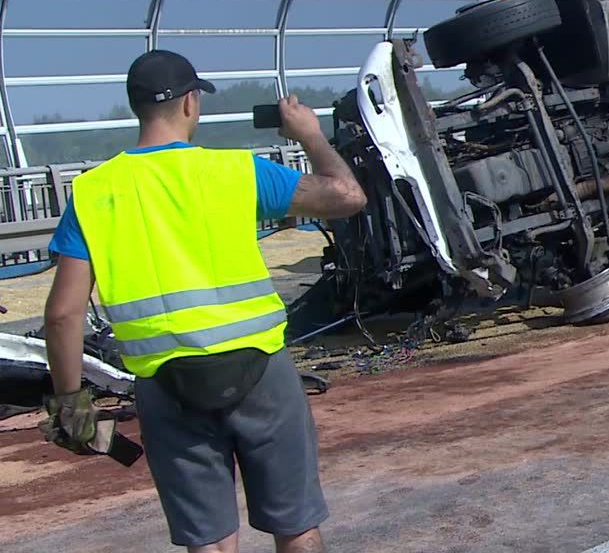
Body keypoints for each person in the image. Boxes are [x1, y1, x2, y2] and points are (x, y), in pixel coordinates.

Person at [40, 50, 367, 553]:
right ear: (192, 102)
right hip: (261, 371)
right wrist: (310, 135)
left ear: (136, 109)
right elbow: (347, 196)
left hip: (166, 384)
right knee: (296, 526)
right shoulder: (236, 172)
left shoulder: (92, 193)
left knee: (209, 542)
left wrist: (69, 400)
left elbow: (62, 314)